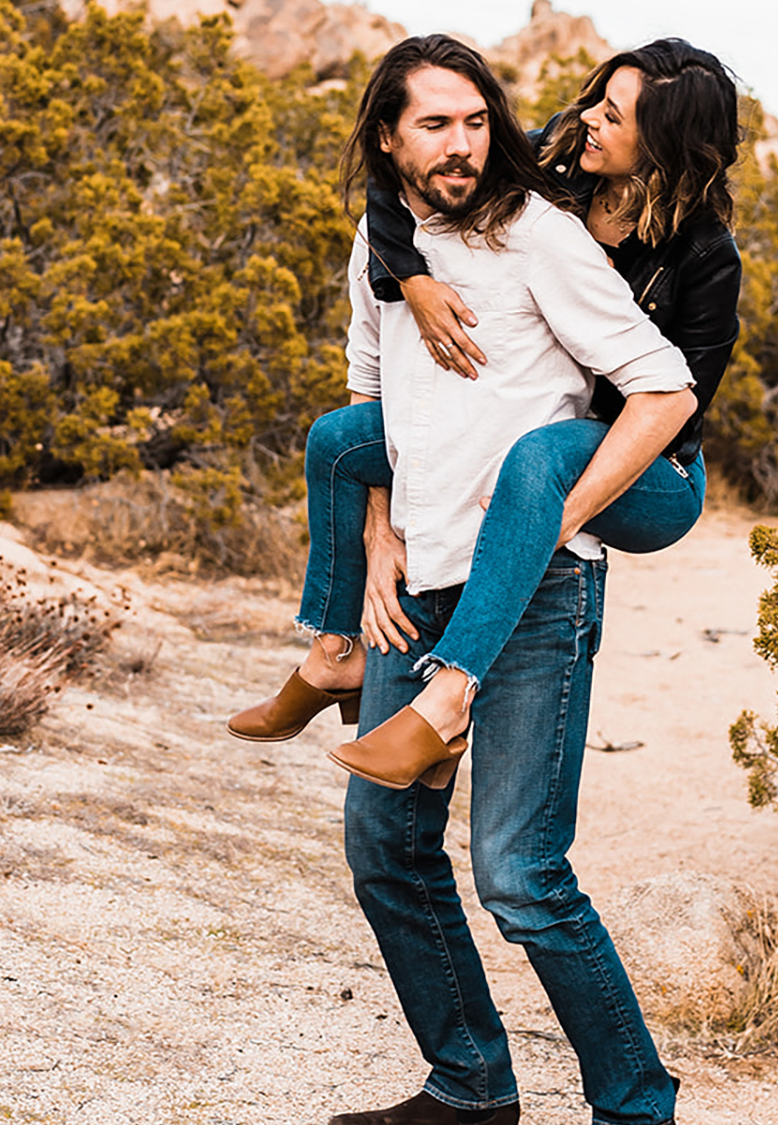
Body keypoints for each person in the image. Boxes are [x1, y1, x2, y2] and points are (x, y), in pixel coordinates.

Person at [276, 34, 696, 1125]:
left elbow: (664, 385)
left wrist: (560, 508)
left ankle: (638, 1119)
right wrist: (375, 539)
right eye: (431, 125)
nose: (458, 144)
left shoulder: (541, 236)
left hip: (535, 591)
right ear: (388, 139)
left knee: (519, 869)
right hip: (416, 591)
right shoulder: (383, 242)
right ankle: (469, 1084)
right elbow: (369, 401)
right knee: (385, 846)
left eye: (473, 121)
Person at [228, 38, 741, 782]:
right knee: (340, 439)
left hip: (653, 470)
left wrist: (556, 516)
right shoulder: (554, 159)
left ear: (661, 142)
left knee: (536, 458)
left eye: (613, 114)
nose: (590, 117)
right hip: (544, 428)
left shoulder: (704, 254)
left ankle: (449, 698)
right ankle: (334, 653)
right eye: (598, 97)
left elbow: (674, 406)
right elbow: (402, 178)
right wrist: (410, 277)